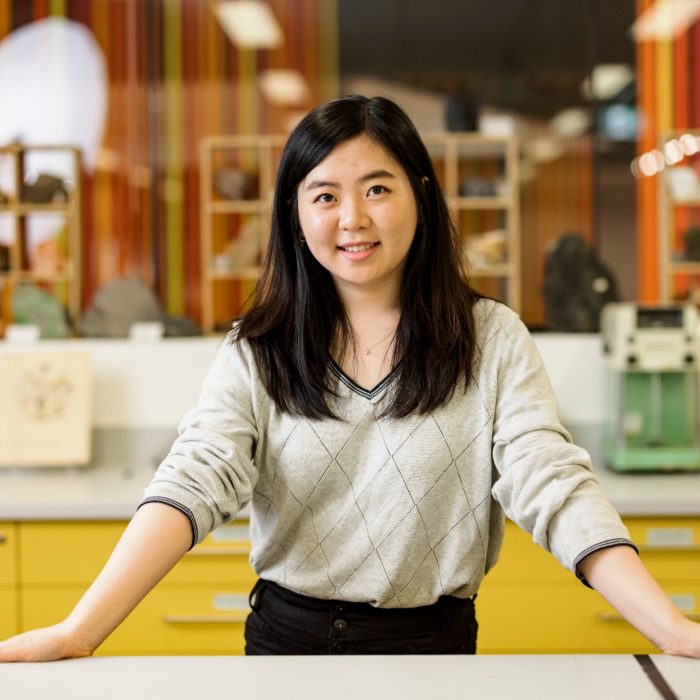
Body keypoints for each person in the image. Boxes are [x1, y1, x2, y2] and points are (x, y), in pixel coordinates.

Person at [1, 95, 699, 659]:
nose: (353, 219)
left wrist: (671, 629)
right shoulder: (260, 346)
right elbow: (195, 475)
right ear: (295, 213)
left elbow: (553, 485)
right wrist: (79, 631)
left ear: (421, 195)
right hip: (286, 646)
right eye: (325, 195)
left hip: (431, 649)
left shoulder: (491, 339)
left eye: (376, 188)